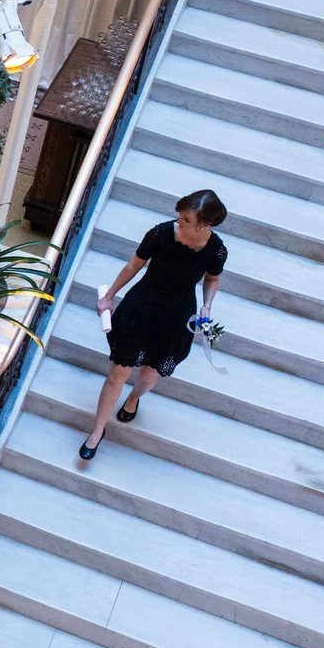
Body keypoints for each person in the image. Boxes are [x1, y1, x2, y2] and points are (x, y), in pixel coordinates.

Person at [80, 189, 228, 460]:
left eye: (185, 218)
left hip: (177, 316)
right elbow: (134, 265)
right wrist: (110, 295)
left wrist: (207, 305)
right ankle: (98, 429)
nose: (178, 221)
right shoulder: (160, 233)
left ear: (204, 224)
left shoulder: (216, 250)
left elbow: (212, 279)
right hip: (142, 305)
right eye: (180, 215)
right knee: (117, 373)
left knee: (150, 374)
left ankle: (134, 398)